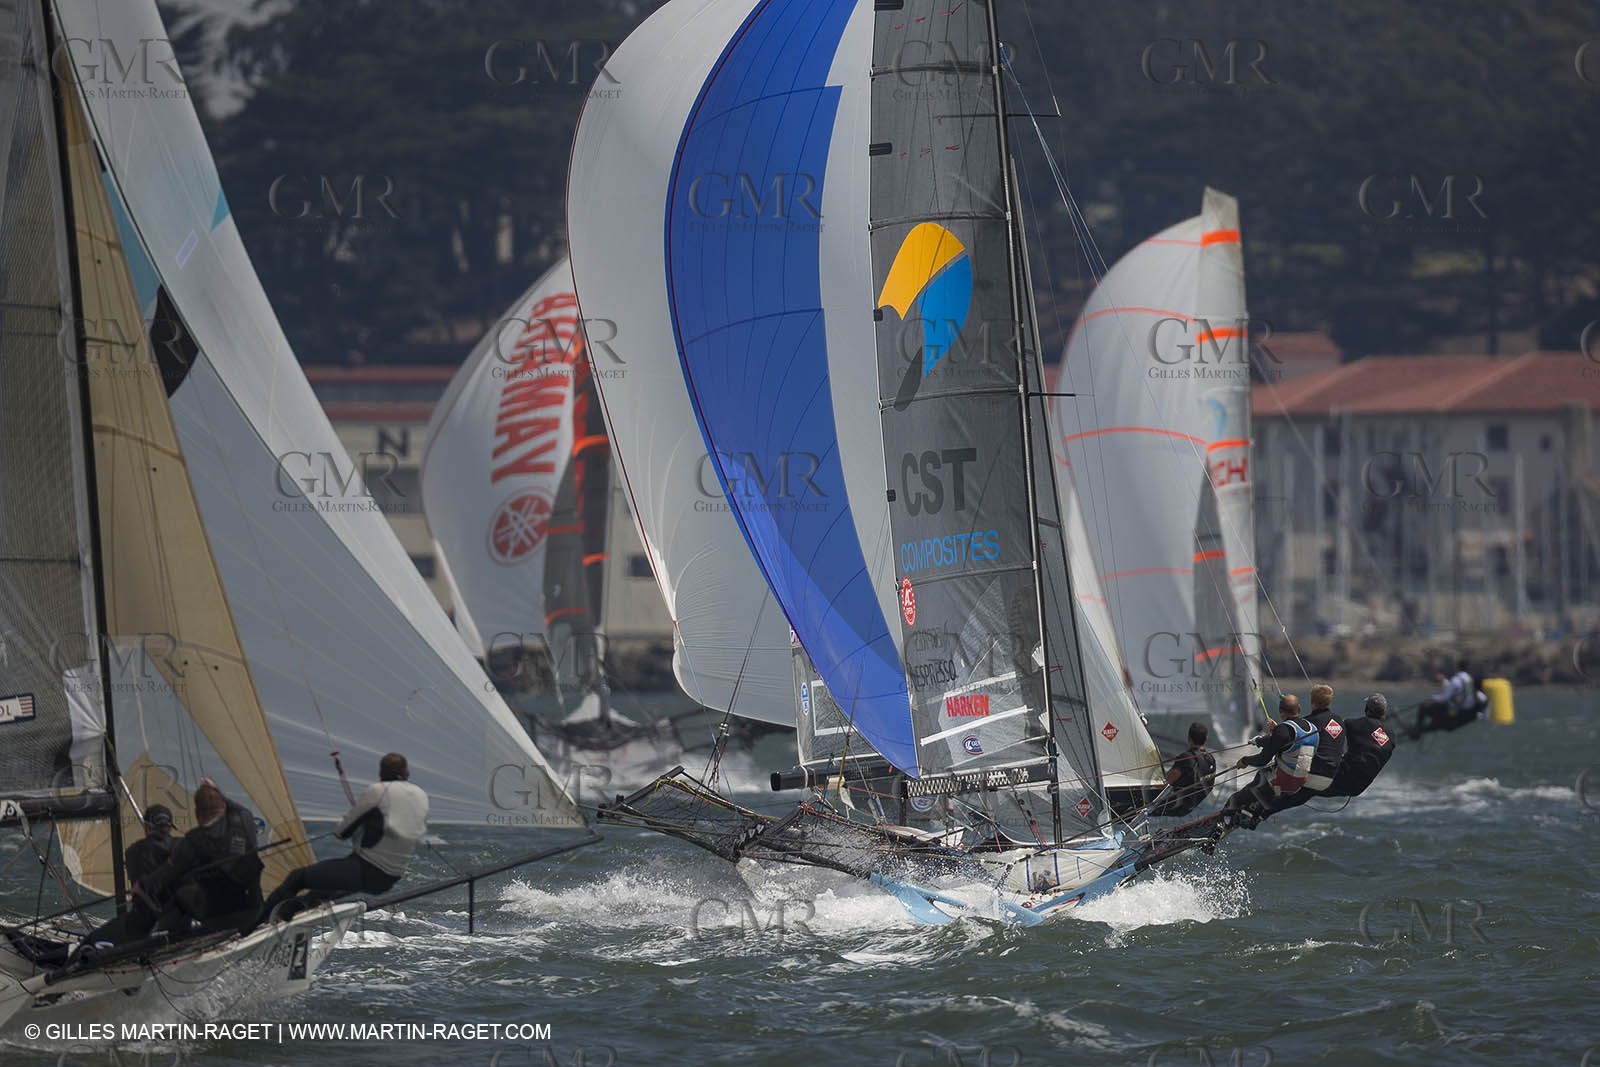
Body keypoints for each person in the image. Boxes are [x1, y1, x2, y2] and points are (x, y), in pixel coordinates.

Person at [257, 753, 428, 926]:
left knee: (297, 877)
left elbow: (341, 833)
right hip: (391, 877)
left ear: (381, 772)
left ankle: (253, 925)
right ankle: (281, 919)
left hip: (366, 870)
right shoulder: (421, 795)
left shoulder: (378, 791)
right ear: (406, 772)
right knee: (319, 893)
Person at [140, 780, 265, 939]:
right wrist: (215, 790)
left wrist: (142, 885)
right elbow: (240, 809)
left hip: (218, 920)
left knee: (180, 892)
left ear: (197, 814)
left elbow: (165, 876)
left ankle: (162, 939)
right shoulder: (244, 819)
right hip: (254, 911)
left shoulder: (191, 841)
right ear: (224, 806)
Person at [77, 804, 182, 950]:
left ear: (146, 827)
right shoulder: (183, 846)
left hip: (143, 926)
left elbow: (138, 886)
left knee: (89, 943)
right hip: (181, 922)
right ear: (170, 826)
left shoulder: (133, 851)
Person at [1217, 692, 1319, 830]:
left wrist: (1245, 760)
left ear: (1281, 712)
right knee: (1257, 792)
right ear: (1299, 709)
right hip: (1299, 783)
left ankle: (1216, 829)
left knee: (1235, 799)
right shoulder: (1313, 729)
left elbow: (1262, 760)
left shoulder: (1283, 731)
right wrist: (1275, 731)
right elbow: (1291, 745)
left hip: (1280, 781)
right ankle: (1250, 819)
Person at [1273, 684, 1348, 812]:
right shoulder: (1339, 721)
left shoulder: (1308, 723)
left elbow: (1284, 743)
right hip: (1330, 778)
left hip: (1310, 776)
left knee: (1272, 773)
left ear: (1312, 702)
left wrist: (1275, 731)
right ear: (1329, 701)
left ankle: (1256, 810)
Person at [1322, 693, 1397, 797]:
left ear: (1366, 709)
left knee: (1308, 786)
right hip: (1358, 788)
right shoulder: (1391, 736)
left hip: (1340, 778)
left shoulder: (1353, 724)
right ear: (1383, 711)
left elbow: (1331, 730)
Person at [1148, 722, 1217, 817]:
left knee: (1134, 795)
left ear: (1189, 738)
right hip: (1188, 808)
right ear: (1206, 738)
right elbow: (1209, 786)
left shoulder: (1187, 758)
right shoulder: (1211, 760)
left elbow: (1165, 783)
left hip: (1169, 805)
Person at [1414, 659, 1488, 737]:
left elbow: (1446, 697)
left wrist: (1433, 698)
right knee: (1436, 723)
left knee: (1423, 707)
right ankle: (1418, 731)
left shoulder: (1457, 680)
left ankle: (1417, 728)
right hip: (1457, 718)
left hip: (1452, 713)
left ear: (1458, 668)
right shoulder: (1471, 682)